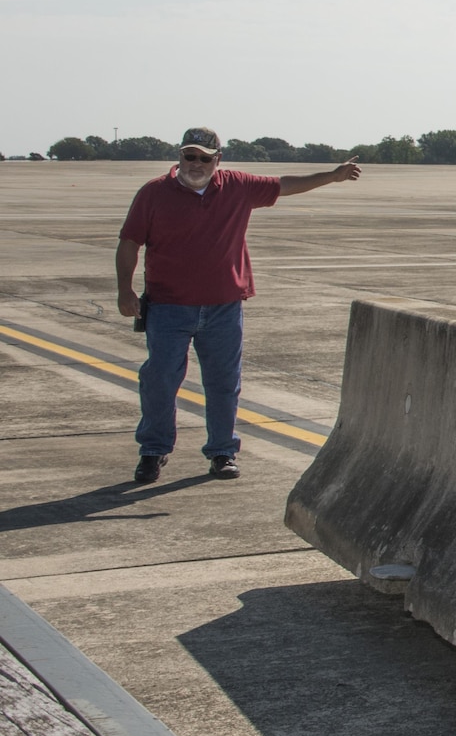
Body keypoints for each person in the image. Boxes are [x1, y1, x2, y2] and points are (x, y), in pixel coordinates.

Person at [115, 128, 362, 483]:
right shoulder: (154, 193)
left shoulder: (237, 186)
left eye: (204, 157)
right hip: (169, 307)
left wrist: (333, 176)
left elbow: (285, 184)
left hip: (223, 308)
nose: (195, 163)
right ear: (179, 157)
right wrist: (125, 290)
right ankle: (153, 451)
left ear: (218, 159)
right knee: (159, 381)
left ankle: (222, 452)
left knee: (223, 383)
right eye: (189, 156)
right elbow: (129, 242)